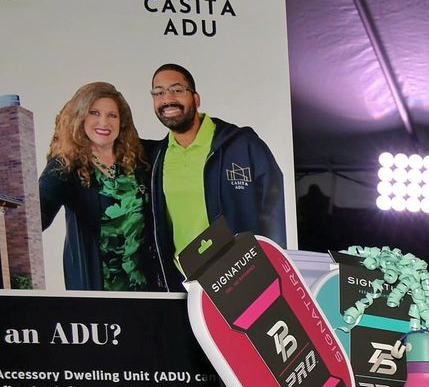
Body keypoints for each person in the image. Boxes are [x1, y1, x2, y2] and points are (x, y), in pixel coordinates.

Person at [143, 63, 286, 288]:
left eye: (177, 90)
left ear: (196, 98)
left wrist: (275, 273)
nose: (167, 99)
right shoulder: (157, 157)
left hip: (240, 278)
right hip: (183, 285)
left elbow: (273, 209)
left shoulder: (241, 144)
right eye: (158, 93)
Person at [38, 82, 157, 292]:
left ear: (122, 121)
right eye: (94, 113)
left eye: (112, 115)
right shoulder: (65, 165)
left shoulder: (141, 156)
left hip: (148, 290)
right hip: (97, 294)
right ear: (80, 117)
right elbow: (38, 212)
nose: (104, 122)